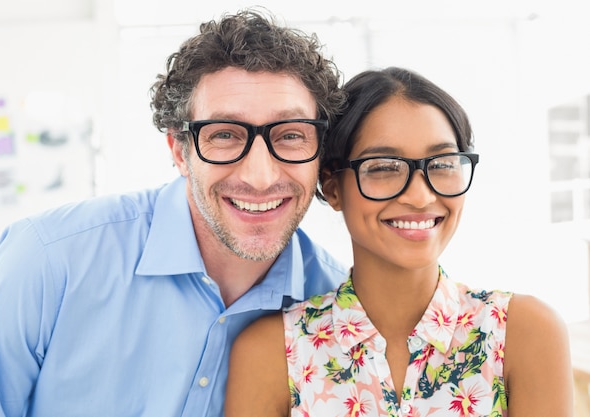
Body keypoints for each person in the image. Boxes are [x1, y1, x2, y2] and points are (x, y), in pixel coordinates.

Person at [0, 9, 348, 417]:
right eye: (223, 135)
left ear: (320, 154)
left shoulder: (341, 313)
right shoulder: (47, 262)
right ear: (179, 151)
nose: (259, 176)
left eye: (290, 135)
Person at [225, 67, 574, 416]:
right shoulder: (273, 350)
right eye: (383, 168)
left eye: (443, 164)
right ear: (332, 187)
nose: (421, 197)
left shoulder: (523, 333)